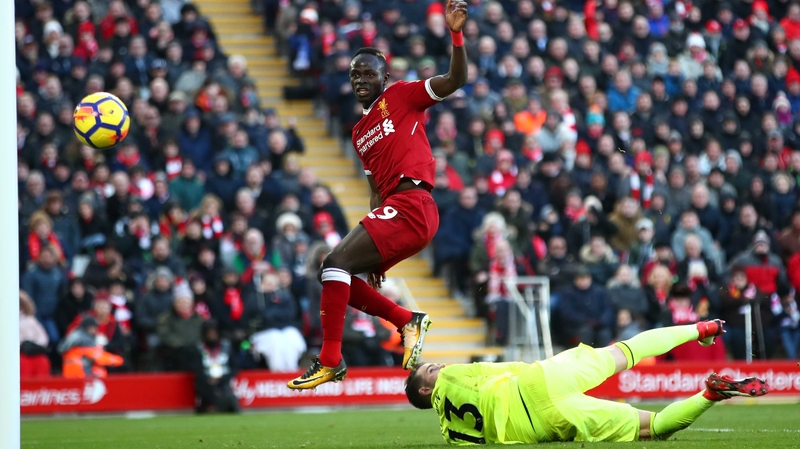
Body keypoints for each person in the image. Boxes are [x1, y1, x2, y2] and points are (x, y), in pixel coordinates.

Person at [288, 0, 470, 389]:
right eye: (354, 75)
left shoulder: (403, 95)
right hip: (396, 210)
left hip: (415, 204)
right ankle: (406, 321)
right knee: (333, 272)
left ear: (384, 77)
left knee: (334, 260)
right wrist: (377, 249)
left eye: (367, 73)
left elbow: (454, 81)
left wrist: (455, 36)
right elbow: (375, 192)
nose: (359, 80)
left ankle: (331, 359)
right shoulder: (358, 133)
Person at [405, 320, 770, 445]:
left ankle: (709, 393)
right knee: (625, 350)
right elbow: (500, 367)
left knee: (654, 429)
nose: (440, 366)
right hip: (538, 379)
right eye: (430, 370)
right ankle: (700, 329)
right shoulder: (452, 375)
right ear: (426, 390)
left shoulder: (450, 434)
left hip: (542, 424)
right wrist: (536, 369)